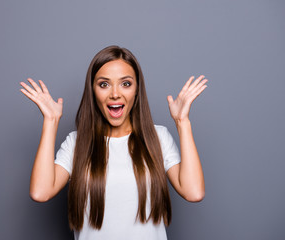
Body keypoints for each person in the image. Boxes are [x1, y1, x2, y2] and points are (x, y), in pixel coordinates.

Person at [19, 45, 207, 240]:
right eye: (104, 84)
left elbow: (193, 192)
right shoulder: (77, 143)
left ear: (137, 90)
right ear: (93, 91)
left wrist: (182, 122)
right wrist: (50, 121)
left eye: (126, 84)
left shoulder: (157, 137)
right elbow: (41, 192)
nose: (115, 94)